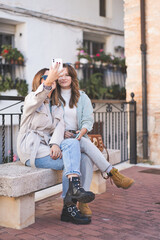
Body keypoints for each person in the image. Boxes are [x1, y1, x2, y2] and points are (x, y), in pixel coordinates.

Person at [52, 63, 135, 219]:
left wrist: (81, 131)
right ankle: (112, 173)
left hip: (79, 137)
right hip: (61, 140)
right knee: (80, 144)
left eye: (66, 75)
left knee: (86, 157)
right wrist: (63, 133)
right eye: (60, 75)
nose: (63, 78)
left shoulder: (82, 97)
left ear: (72, 77)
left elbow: (88, 120)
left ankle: (82, 200)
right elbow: (50, 123)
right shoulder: (53, 97)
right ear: (56, 78)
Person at [17, 63, 95, 225]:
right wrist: (48, 83)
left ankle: (70, 199)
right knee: (73, 161)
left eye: (52, 77)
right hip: (32, 150)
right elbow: (39, 96)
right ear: (39, 81)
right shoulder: (32, 99)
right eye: (46, 78)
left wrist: (55, 144)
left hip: (48, 148)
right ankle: (69, 208)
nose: (51, 80)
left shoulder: (56, 105)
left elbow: (60, 128)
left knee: (72, 152)